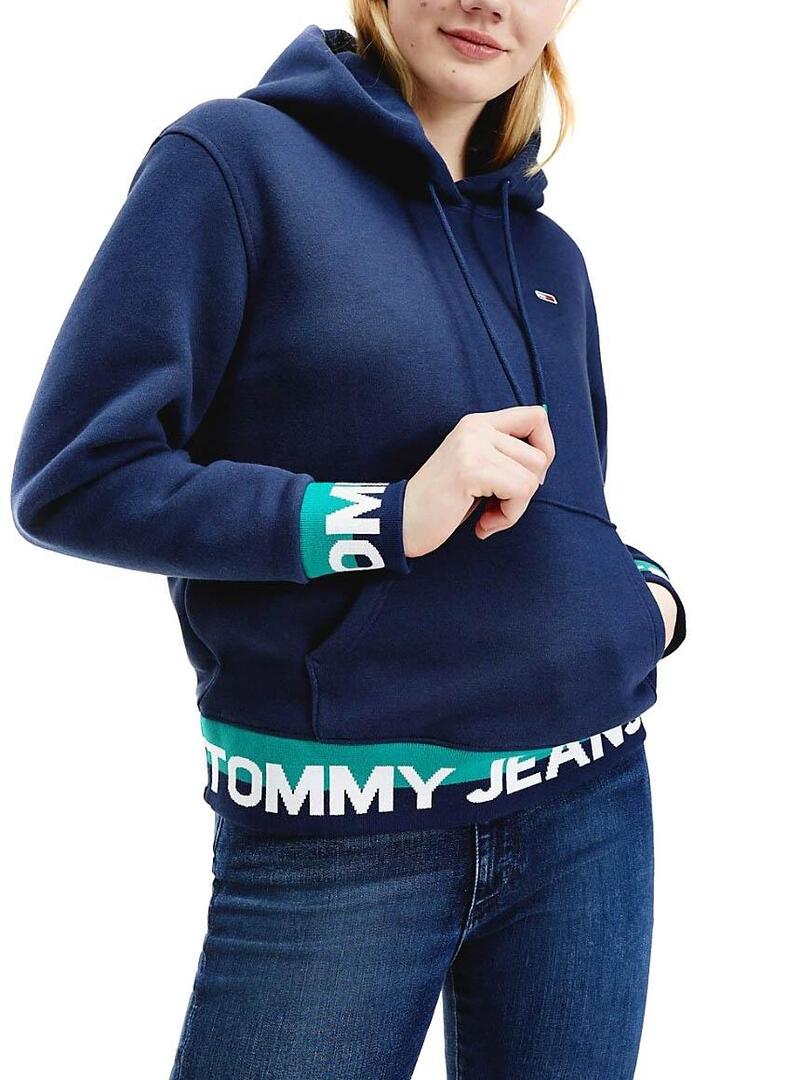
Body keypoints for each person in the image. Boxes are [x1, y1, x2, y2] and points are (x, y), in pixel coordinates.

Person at [10, 3, 687, 1077]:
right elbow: (78, 477)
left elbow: (574, 501)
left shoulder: (546, 249)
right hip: (346, 835)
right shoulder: (233, 164)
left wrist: (645, 600)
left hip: (592, 808)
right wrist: (378, 517)